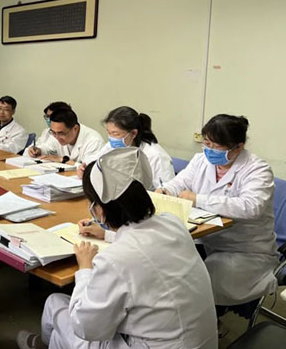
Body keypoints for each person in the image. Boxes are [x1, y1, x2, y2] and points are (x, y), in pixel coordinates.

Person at [17, 148, 217, 349]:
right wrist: (106, 234)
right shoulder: (172, 223)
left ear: (99, 209)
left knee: (54, 304)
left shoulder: (115, 260)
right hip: (198, 341)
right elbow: (144, 244)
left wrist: (85, 268)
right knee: (62, 333)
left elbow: (85, 327)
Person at [157, 114, 279, 317]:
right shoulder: (201, 160)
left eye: (216, 146)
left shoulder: (257, 169)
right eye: (206, 143)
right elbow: (180, 182)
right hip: (206, 239)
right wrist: (165, 190)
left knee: (201, 283)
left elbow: (251, 207)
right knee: (171, 267)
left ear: (238, 147)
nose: (209, 150)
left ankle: (208, 323)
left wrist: (198, 199)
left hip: (244, 249)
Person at [78, 106, 175, 188]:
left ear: (133, 133)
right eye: (109, 132)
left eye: (116, 134)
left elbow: (166, 193)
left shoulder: (156, 156)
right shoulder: (112, 146)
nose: (111, 138)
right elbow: (95, 161)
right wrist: (85, 168)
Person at [27, 108, 104, 164]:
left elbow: (89, 170)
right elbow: (48, 148)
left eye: (61, 133)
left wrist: (63, 160)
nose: (56, 137)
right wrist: (38, 150)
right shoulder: (56, 134)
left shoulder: (94, 141)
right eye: (53, 132)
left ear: (75, 128)